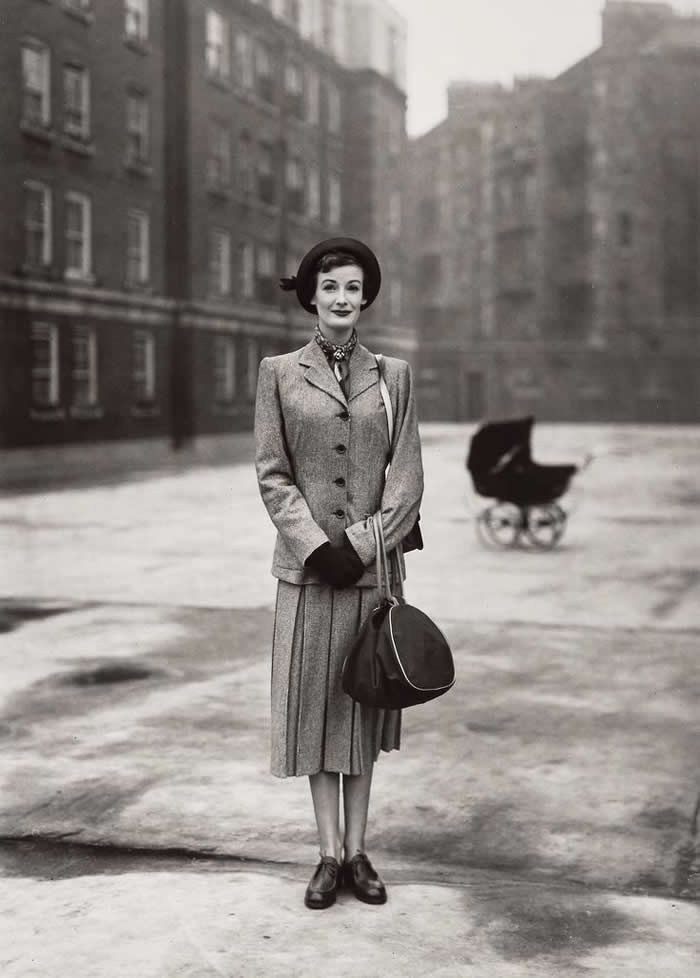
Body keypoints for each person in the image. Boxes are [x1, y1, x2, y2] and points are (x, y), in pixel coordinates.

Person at [254, 237, 424, 910]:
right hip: (307, 576)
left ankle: (358, 852)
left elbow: (406, 479)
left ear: (366, 296)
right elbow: (272, 473)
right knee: (315, 713)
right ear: (311, 296)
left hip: (372, 575)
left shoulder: (394, 376)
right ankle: (327, 855)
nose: (342, 298)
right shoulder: (278, 373)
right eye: (330, 287)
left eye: (353, 287)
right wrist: (313, 547)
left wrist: (358, 546)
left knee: (361, 712)